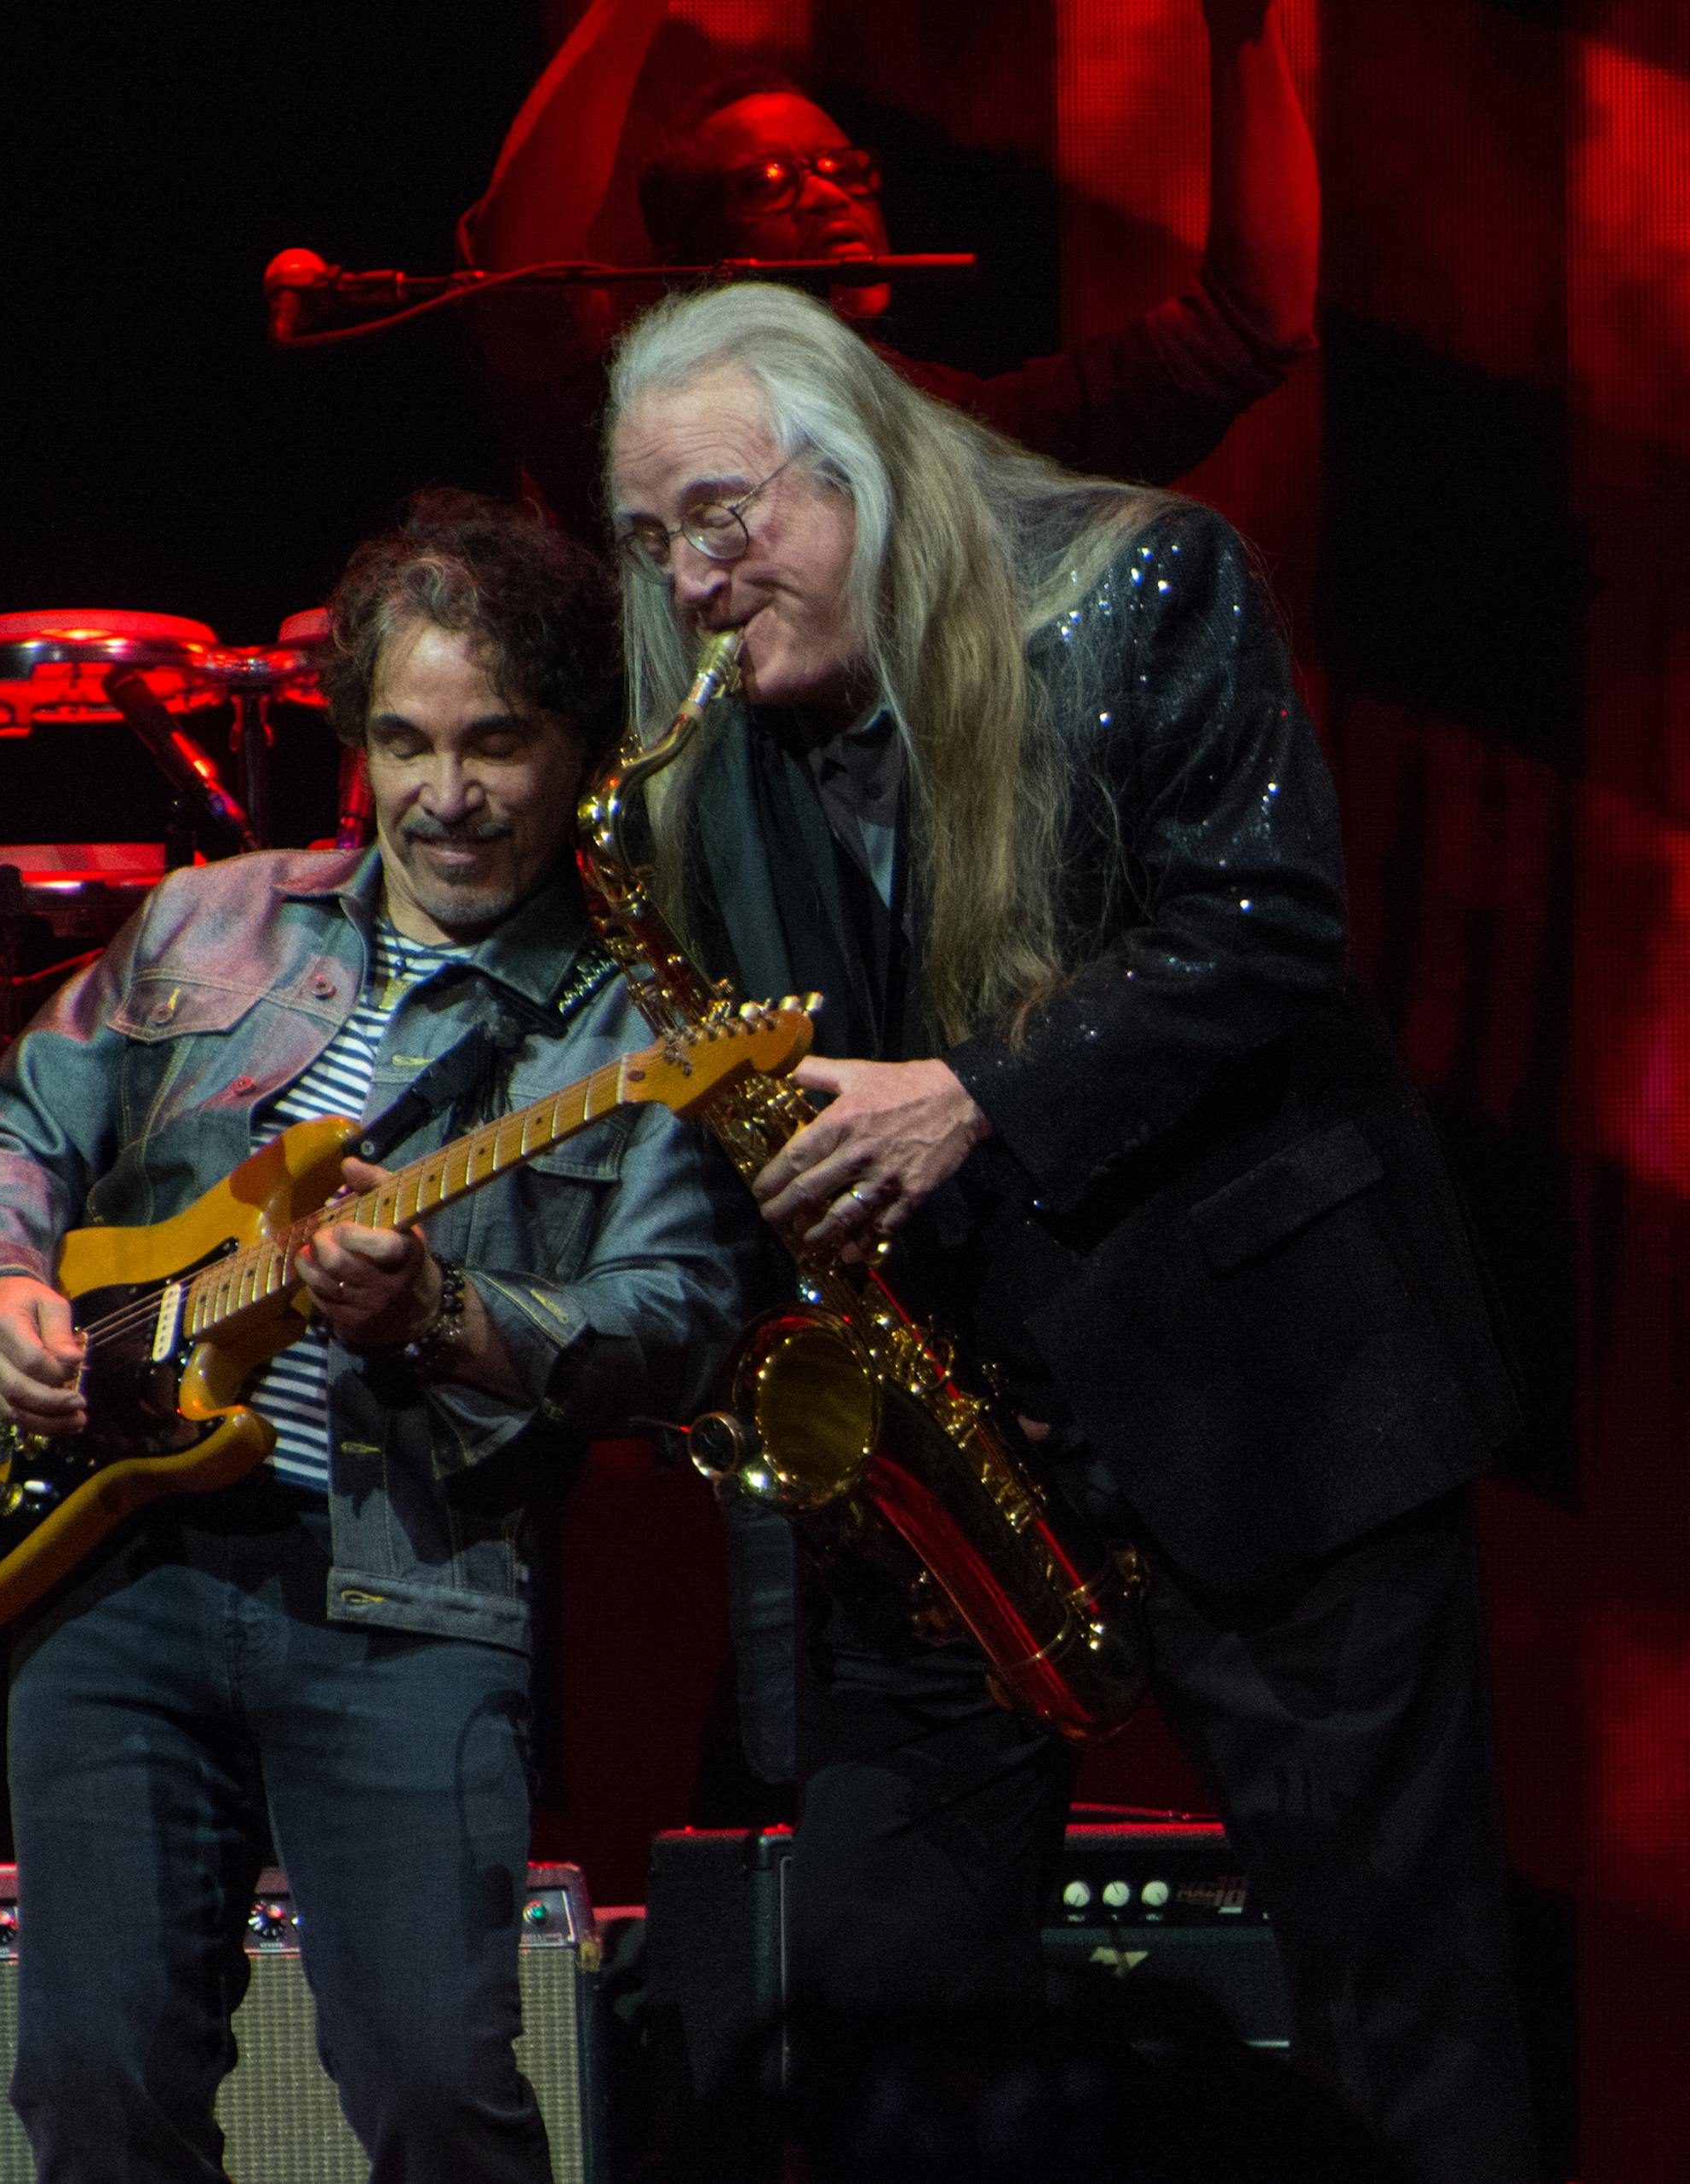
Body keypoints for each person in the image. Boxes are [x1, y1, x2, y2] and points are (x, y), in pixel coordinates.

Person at [601, 281, 1540, 2184]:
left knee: (1399, 2007)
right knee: (867, 1999)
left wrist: (966, 1093)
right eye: (651, 543)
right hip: (970, 1477)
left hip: (1270, 1409)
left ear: (852, 459)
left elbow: (1267, 924)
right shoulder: (712, 765)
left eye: (721, 516)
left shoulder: (1142, 580)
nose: (690, 583)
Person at [0, 492, 752, 2183]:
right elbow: (4, 1141)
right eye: (406, 743)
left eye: (496, 744)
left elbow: (674, 1321)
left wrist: (444, 1312)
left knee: (440, 2098)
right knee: (91, 2095)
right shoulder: (209, 916)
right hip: (108, 1574)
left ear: (581, 745)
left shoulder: (641, 1020)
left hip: (409, 1590)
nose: (445, 795)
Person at [464, 0, 1320, 533]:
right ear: (689, 262)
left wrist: (1243, 23)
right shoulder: (640, 424)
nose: (829, 197)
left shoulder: (950, 427)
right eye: (770, 181)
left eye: (846, 170)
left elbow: (1253, 325)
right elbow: (518, 267)